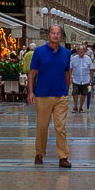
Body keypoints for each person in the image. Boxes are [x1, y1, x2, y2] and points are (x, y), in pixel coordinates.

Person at [27, 25, 73, 168]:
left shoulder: (66, 53)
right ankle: (39, 153)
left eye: (58, 33)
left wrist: (66, 90)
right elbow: (32, 73)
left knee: (60, 127)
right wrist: (30, 92)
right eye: (53, 33)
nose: (55, 36)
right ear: (48, 35)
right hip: (43, 95)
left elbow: (67, 73)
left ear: (61, 36)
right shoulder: (39, 52)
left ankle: (63, 157)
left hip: (60, 95)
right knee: (42, 126)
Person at [70, 43, 93, 112]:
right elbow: (70, 68)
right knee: (75, 92)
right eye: (80, 49)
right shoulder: (73, 58)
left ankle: (81, 107)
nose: (81, 51)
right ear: (77, 51)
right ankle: (75, 106)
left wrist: (91, 78)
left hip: (85, 79)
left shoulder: (88, 59)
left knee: (84, 93)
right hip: (76, 79)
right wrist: (70, 77)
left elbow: (91, 69)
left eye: (82, 50)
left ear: (85, 51)